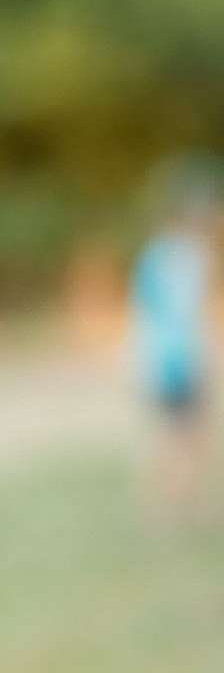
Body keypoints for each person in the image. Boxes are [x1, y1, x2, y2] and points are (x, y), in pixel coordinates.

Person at [133, 153, 218, 526]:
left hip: (160, 359)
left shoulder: (158, 254)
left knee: (182, 437)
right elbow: (187, 314)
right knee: (182, 438)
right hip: (178, 361)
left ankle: (180, 508)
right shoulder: (186, 258)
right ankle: (169, 510)